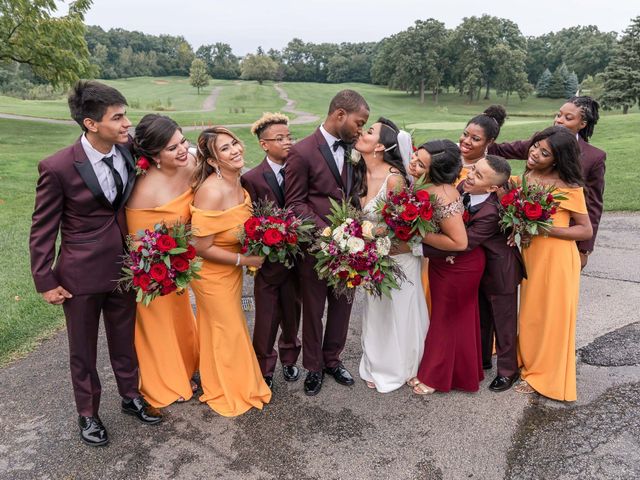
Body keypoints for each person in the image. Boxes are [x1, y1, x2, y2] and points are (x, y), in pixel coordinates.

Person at [29, 81, 161, 447]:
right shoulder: (57, 167)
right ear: (90, 124)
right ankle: (88, 414)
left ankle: (131, 396)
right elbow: (43, 228)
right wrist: (44, 279)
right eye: (118, 118)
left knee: (125, 338)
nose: (126, 124)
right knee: (82, 349)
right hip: (79, 275)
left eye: (125, 115)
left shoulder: (129, 151)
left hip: (124, 268)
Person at [285, 89, 370, 396]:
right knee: (313, 307)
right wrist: (329, 234)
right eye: (359, 122)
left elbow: (355, 192)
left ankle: (333, 359)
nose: (361, 129)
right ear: (339, 115)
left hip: (353, 247)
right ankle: (314, 366)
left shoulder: (353, 149)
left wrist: (358, 233)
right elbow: (295, 204)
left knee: (344, 304)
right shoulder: (302, 151)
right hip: (317, 248)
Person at [424, 155, 526, 392]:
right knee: (480, 317)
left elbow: (464, 242)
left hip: (499, 269)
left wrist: (418, 247)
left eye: (478, 175)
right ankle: (482, 360)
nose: (470, 176)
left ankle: (508, 371)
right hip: (473, 270)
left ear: (492, 187)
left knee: (503, 322)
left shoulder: (491, 211)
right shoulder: (462, 188)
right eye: (473, 169)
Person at [190, 126, 271, 416]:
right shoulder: (211, 192)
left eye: (234, 143)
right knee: (229, 327)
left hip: (231, 271)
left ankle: (219, 376)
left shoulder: (240, 182)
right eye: (224, 149)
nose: (235, 150)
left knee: (219, 328)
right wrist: (244, 261)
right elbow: (200, 247)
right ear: (212, 161)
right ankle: (235, 388)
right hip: (211, 275)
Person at [514, 126, 592, 401]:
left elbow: (585, 230)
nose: (535, 152)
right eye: (536, 145)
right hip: (530, 255)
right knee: (531, 312)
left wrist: (543, 228)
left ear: (557, 159)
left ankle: (545, 377)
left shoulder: (568, 186)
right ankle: (528, 361)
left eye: (544, 152)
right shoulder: (528, 175)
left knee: (550, 317)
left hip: (556, 258)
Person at [126, 114, 199, 407]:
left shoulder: (191, 164)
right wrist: (162, 270)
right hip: (155, 272)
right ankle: (167, 382)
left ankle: (189, 367)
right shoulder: (143, 192)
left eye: (182, 141)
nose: (182, 150)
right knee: (159, 324)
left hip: (180, 264)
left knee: (182, 317)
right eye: (172, 148)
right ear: (154, 155)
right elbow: (138, 245)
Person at [353, 118, 429, 393]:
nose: (362, 132)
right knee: (376, 310)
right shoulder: (358, 172)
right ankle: (376, 361)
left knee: (398, 309)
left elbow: (402, 227)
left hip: (398, 256)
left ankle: (405, 366)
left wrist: (368, 236)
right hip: (374, 255)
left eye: (370, 132)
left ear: (380, 147)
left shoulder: (394, 179)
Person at [407, 140, 485, 395]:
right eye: (416, 158)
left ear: (436, 171)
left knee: (445, 319)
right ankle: (463, 373)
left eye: (421, 164)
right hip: (445, 264)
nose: (414, 165)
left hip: (458, 266)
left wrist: (416, 234)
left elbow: (459, 242)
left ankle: (435, 376)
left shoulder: (440, 195)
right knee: (455, 318)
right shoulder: (429, 187)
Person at [489, 96, 605, 269]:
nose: (559, 120)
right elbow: (499, 150)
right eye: (559, 114)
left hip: (566, 240)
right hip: (532, 244)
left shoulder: (594, 157)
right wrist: (484, 130)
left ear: (583, 123)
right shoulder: (540, 142)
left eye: (568, 117)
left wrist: (584, 249)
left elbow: (593, 206)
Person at [241, 113, 302, 389]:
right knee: (265, 317)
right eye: (280, 138)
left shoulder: (301, 171)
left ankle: (290, 359)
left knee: (292, 313)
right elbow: (247, 220)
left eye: (290, 137)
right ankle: (264, 365)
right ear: (264, 144)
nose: (287, 142)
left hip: (297, 260)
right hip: (266, 263)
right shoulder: (251, 178)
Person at [458, 105, 507, 183]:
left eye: (475, 139)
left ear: (490, 142)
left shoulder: (486, 171)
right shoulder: (448, 152)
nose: (466, 141)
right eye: (465, 134)